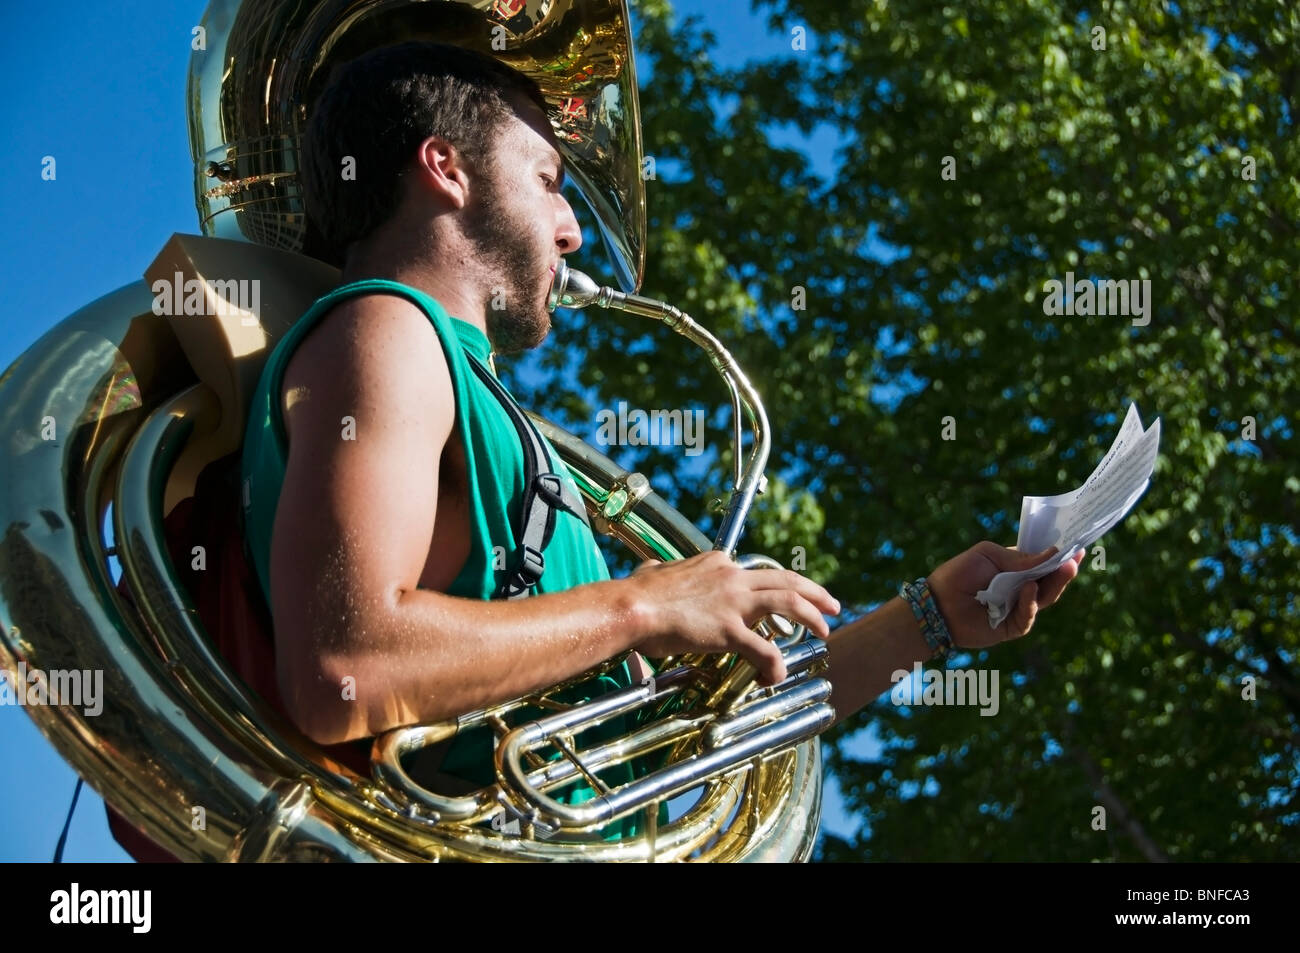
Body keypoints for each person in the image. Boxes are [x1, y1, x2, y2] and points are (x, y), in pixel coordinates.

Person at [113, 40, 1083, 859]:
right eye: (549, 182)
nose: (574, 229)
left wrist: (930, 619)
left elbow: (682, 736)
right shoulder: (386, 330)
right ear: (444, 167)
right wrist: (646, 601)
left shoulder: (484, 407)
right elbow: (344, 669)